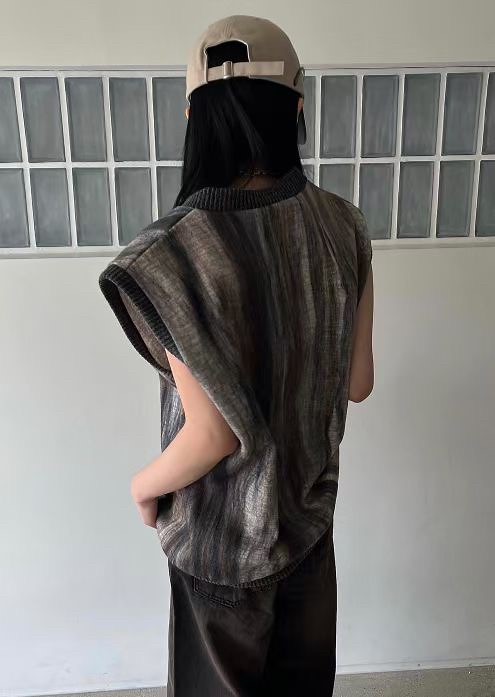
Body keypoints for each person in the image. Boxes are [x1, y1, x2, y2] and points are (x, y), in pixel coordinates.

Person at [99, 14, 374, 697]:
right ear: (298, 108)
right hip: (307, 527)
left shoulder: (171, 253)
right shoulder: (343, 223)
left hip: (219, 549)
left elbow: (213, 434)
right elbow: (359, 382)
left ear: (192, 117)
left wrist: (143, 487)